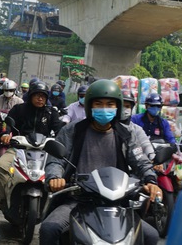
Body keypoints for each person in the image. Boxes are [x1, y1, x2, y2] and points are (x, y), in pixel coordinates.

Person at [41, 79, 161, 245]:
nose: (104, 108)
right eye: (99, 104)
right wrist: (55, 177)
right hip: (78, 200)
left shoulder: (126, 134)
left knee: (151, 236)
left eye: (110, 104)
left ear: (117, 107)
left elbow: (141, 161)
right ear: (90, 106)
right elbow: (56, 160)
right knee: (49, 228)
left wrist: (150, 180)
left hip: (118, 203)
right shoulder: (72, 130)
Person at [0, 81, 63, 210]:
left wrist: (59, 142)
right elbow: (8, 124)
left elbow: (59, 131)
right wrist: (6, 134)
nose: (40, 98)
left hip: (44, 151)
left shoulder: (52, 113)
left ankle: (52, 207)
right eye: (37, 95)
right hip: (19, 148)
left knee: (58, 174)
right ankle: (3, 199)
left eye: (43, 95)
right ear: (31, 96)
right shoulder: (19, 109)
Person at [120, 90, 155, 161]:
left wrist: (151, 154)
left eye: (127, 106)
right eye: (121, 106)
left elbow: (145, 143)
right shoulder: (110, 128)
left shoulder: (135, 129)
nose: (124, 109)